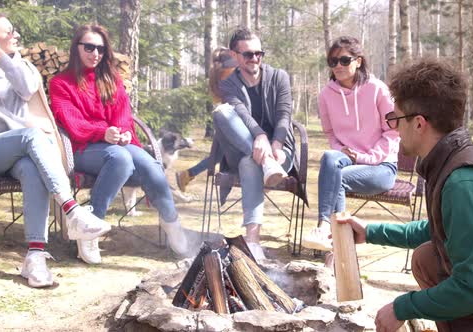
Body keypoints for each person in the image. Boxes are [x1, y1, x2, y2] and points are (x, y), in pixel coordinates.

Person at [336, 58, 473, 331]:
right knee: (427, 259)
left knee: (442, 270)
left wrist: (402, 307)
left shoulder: (464, 182)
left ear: (419, 123)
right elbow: (440, 229)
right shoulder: (453, 162)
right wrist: (371, 232)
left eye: (395, 119)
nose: (394, 129)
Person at [0, 11, 110, 288]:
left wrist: (0, 57)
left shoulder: (22, 67)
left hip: (16, 150)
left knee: (32, 169)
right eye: (8, 31)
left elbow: (26, 88)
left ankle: (35, 257)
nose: (16, 36)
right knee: (32, 137)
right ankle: (73, 212)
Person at [49, 24, 188, 264]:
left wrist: (123, 133)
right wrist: (102, 132)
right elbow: (71, 124)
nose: (95, 54)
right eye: (89, 47)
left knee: (151, 164)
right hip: (81, 149)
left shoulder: (111, 79)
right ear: (77, 48)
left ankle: (171, 222)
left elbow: (123, 114)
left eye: (100, 49)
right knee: (121, 159)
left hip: (115, 144)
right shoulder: (61, 83)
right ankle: (89, 231)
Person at [301, 36, 399, 259]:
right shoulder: (326, 94)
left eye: (344, 60)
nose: (338, 66)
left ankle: (335, 247)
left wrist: (366, 158)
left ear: (359, 61)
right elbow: (331, 134)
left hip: (382, 167)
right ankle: (325, 227)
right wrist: (342, 150)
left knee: (338, 177)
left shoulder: (377, 89)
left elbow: (393, 132)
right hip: (347, 161)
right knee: (329, 157)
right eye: (333, 61)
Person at [213, 27, 297, 260]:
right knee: (222, 112)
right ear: (235, 55)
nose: (255, 59)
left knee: (250, 163)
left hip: (281, 153)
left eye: (259, 53)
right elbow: (240, 113)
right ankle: (253, 240)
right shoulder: (229, 84)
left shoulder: (279, 77)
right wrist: (260, 138)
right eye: (248, 54)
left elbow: (284, 114)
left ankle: (252, 240)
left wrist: (276, 144)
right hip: (247, 149)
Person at [175, 47, 238, 192]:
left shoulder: (219, 71)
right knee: (217, 157)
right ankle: (187, 174)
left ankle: (187, 174)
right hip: (230, 119)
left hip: (226, 118)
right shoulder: (229, 73)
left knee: (216, 156)